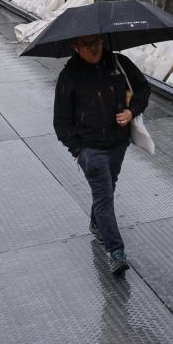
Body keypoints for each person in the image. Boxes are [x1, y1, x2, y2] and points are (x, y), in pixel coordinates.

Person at [53, 34, 149, 275]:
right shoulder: (69, 77)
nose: (94, 48)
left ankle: (97, 223)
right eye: (86, 44)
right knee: (104, 194)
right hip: (90, 149)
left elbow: (143, 89)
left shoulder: (119, 64)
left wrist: (131, 111)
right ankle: (115, 251)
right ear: (76, 47)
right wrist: (78, 150)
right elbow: (61, 123)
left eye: (97, 42)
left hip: (118, 143)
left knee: (109, 187)